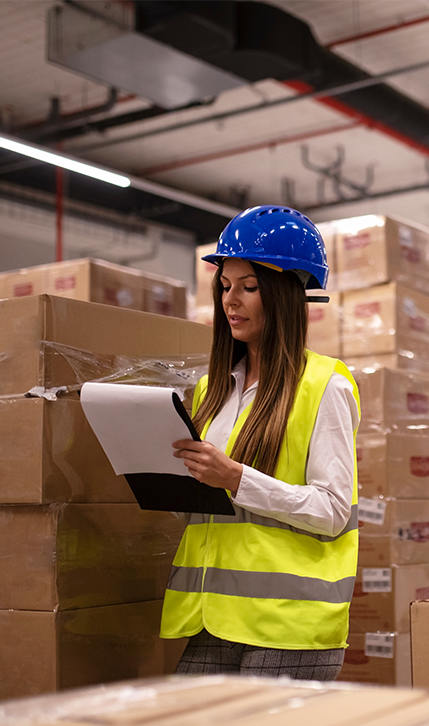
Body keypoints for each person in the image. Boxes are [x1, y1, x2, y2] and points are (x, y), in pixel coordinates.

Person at [162, 205, 360, 680]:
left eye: (249, 287)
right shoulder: (213, 388)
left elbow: (333, 511)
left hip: (289, 623)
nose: (232, 300)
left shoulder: (324, 385)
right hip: (212, 615)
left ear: (286, 295)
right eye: (225, 286)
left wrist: (234, 478)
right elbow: (209, 508)